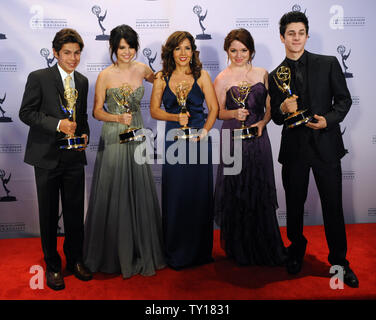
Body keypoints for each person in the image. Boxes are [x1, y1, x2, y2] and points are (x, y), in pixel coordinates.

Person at [268, 11, 359, 288]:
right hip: (294, 150)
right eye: (290, 33)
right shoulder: (274, 76)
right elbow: (274, 116)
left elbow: (344, 101)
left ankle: (340, 262)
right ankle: (296, 251)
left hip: (326, 147)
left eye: (300, 32)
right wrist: (282, 109)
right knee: (294, 207)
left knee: (333, 207)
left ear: (306, 35)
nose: (296, 38)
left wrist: (327, 120)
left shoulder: (329, 63)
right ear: (282, 37)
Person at [83, 24, 166, 278]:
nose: (127, 52)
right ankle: (112, 254)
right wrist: (117, 119)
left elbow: (164, 81)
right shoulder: (105, 75)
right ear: (113, 48)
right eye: (122, 47)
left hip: (138, 131)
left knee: (138, 189)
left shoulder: (143, 69)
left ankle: (139, 249)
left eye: (131, 47)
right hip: (115, 133)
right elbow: (97, 111)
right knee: (114, 189)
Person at [19, 28, 92, 290]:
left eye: (77, 53)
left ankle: (75, 260)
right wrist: (58, 124)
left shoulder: (82, 82)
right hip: (46, 157)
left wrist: (84, 135)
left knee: (74, 214)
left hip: (74, 157)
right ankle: (52, 266)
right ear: (55, 53)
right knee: (49, 214)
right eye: (67, 53)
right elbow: (26, 113)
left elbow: (81, 118)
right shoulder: (38, 77)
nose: (73, 58)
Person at [213, 29, 287, 266]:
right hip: (232, 137)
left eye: (243, 50)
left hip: (257, 137)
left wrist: (263, 123)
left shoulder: (262, 74)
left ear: (251, 51)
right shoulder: (221, 78)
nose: (238, 55)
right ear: (227, 51)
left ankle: (263, 243)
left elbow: (269, 110)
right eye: (233, 50)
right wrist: (234, 112)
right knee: (235, 189)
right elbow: (217, 113)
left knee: (259, 187)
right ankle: (239, 247)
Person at [150, 31, 218, 270]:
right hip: (173, 141)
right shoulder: (161, 77)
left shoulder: (202, 76)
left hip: (199, 143)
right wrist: (174, 117)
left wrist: (205, 132)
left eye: (187, 48)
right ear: (170, 51)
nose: (182, 53)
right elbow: (154, 111)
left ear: (193, 51)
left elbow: (213, 108)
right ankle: (176, 251)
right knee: (176, 195)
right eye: (178, 48)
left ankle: (200, 252)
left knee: (199, 196)